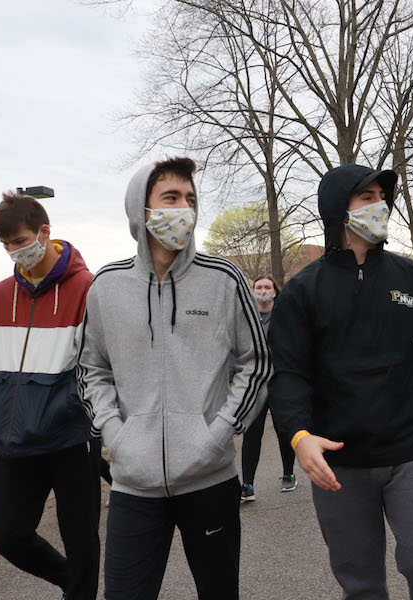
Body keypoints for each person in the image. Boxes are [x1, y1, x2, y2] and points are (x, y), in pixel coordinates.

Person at [268, 164, 413, 600]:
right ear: (339, 210)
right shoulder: (302, 291)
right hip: (338, 461)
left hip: (411, 450)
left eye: (381, 196)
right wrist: (298, 436)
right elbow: (288, 374)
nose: (380, 206)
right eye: (366, 197)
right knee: (361, 583)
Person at [77, 157, 270, 599]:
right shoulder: (107, 286)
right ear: (140, 210)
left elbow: (255, 362)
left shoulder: (223, 279)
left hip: (210, 478)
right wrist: (114, 433)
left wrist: (218, 433)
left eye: (190, 199)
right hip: (133, 484)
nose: (184, 208)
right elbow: (91, 367)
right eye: (171, 198)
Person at [0, 192, 101, 599]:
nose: (14, 251)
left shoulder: (89, 289)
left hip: (70, 439)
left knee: (82, 541)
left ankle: (79, 588)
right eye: (6, 244)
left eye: (20, 240)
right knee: (7, 536)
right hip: (15, 443)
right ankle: (72, 583)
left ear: (45, 232)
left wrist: (77, 415)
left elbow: (102, 368)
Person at [240, 275, 298, 499]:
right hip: (255, 383)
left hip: (280, 381)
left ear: (275, 291)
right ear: (253, 291)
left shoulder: (284, 316)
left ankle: (288, 473)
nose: (262, 290)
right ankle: (248, 484)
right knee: (252, 432)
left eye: (267, 287)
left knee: (283, 430)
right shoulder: (246, 317)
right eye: (258, 287)